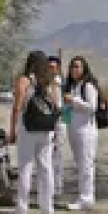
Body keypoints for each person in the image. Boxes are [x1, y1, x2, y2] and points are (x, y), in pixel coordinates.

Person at [10, 50, 55, 214]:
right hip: (45, 129)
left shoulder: (24, 80)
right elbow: (56, 106)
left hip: (27, 128)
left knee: (25, 168)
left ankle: (22, 210)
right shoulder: (48, 82)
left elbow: (17, 107)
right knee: (45, 168)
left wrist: (12, 130)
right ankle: (47, 209)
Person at [63, 56, 99, 211]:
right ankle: (85, 196)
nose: (74, 70)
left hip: (86, 131)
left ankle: (86, 198)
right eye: (72, 67)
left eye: (78, 66)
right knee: (80, 165)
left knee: (86, 165)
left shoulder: (88, 86)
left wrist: (74, 101)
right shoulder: (72, 86)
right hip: (74, 130)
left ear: (84, 69)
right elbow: (67, 110)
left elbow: (92, 107)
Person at [47, 55, 66, 201]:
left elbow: (68, 103)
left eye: (54, 67)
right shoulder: (44, 83)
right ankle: (48, 184)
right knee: (47, 152)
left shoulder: (63, 83)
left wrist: (66, 121)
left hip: (60, 122)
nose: (52, 69)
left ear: (58, 68)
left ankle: (57, 186)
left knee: (59, 154)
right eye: (49, 67)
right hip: (47, 122)